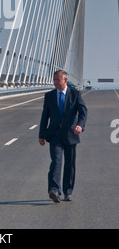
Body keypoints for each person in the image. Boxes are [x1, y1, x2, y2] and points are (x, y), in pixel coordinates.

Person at [38, 69, 87, 202]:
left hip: (71, 134)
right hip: (54, 135)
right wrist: (41, 134)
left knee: (70, 164)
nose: (55, 82)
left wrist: (80, 126)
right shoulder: (49, 96)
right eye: (54, 80)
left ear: (65, 80)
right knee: (56, 161)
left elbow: (83, 112)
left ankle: (67, 191)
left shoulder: (75, 94)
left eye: (57, 80)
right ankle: (54, 190)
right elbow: (45, 116)